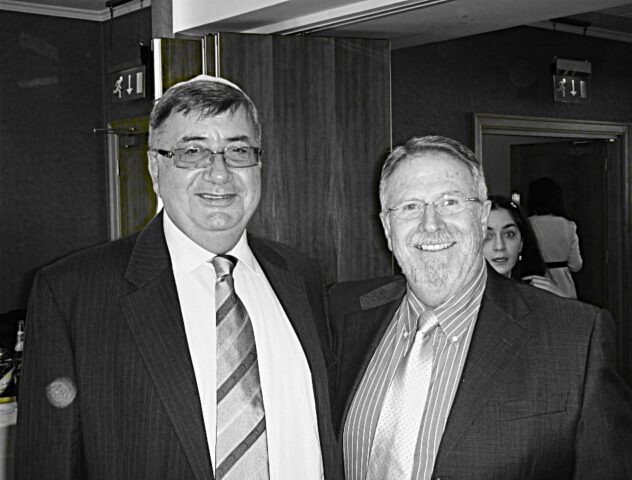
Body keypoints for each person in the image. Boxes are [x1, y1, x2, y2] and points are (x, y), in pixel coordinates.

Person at [16, 76, 340, 479]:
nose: (219, 173)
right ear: (156, 167)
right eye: (193, 151)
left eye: (238, 150)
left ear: (259, 163)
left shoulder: (301, 277)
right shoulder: (72, 295)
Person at [329, 135, 632, 479]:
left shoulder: (576, 340)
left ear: (482, 215)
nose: (431, 224)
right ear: (387, 226)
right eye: (410, 207)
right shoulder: (340, 315)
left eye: (450, 202)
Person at [483, 194, 569, 297]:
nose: (500, 246)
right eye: (487, 236)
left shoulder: (539, 294)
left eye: (509, 234)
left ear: (521, 243)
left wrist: (563, 302)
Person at [528, 177, 583, 298]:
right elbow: (576, 265)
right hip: (564, 286)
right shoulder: (568, 225)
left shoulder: (527, 224)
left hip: (535, 284)